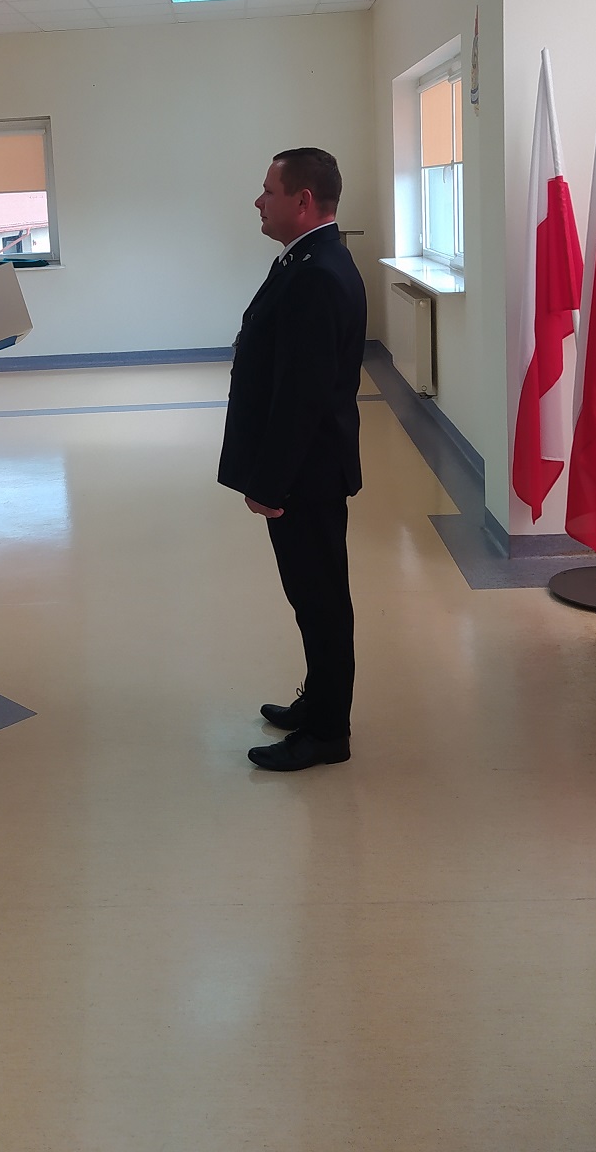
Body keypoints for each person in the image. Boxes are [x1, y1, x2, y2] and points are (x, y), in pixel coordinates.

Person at [218, 147, 367, 771]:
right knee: (311, 596)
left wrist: (270, 481)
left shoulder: (317, 274)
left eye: (269, 191)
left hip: (307, 475)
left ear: (302, 201)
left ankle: (328, 731)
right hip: (306, 470)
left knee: (321, 599)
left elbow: (302, 396)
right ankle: (318, 702)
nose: (259, 202)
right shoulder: (305, 260)